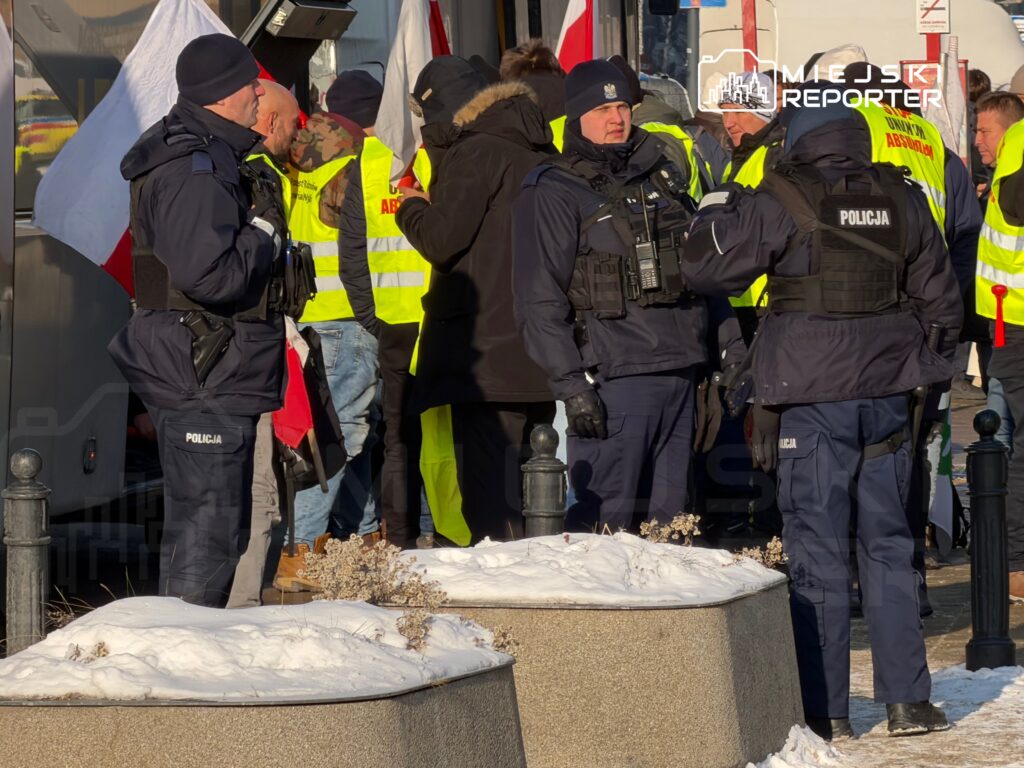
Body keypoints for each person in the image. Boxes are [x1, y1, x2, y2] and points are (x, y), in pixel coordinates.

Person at [680, 101, 961, 739]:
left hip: (810, 399)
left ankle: (826, 711)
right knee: (890, 546)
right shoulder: (902, 196)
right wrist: (921, 376)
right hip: (889, 397)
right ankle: (908, 703)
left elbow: (704, 266)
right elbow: (943, 304)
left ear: (798, 144)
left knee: (818, 549)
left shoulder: (781, 196)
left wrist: (719, 202)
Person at [512, 59, 744, 533]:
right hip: (614, 379)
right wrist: (572, 386)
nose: (616, 118)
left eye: (622, 107)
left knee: (671, 529)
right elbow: (539, 300)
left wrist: (732, 351)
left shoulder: (660, 174)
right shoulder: (554, 189)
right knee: (606, 528)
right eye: (602, 110)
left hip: (681, 371)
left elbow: (704, 273)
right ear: (577, 116)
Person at [109, 34, 285, 607]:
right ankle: (182, 658)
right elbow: (210, 277)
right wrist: (263, 233)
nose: (259, 93)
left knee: (212, 531)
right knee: (208, 535)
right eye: (251, 84)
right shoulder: (196, 168)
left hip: (207, 366)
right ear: (223, 94)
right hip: (204, 370)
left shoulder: (208, 156)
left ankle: (188, 648)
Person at [396, 56, 556, 543]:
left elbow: (442, 239)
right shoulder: (538, 147)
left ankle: (508, 593)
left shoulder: (476, 150)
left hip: (486, 357)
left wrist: (411, 207)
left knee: (491, 507)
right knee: (535, 499)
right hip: (538, 351)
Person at [270, 71, 382, 592]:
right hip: (349, 319)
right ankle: (301, 555)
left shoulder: (292, 159)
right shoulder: (360, 163)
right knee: (338, 440)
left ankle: (360, 540)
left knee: (347, 435)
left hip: (308, 317)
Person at [333, 70, 434, 549]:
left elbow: (352, 252)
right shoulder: (441, 154)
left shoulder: (368, 163)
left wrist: (372, 316)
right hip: (441, 320)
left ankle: (402, 541)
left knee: (398, 439)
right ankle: (442, 535)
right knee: (445, 431)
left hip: (393, 323)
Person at [226, 79, 300, 608]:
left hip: (247, 349)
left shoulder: (236, 168)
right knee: (257, 489)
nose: (297, 135)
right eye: (292, 123)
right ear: (270, 121)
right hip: (248, 351)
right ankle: (241, 608)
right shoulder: (256, 174)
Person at [974, 97, 1024, 601]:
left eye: (985, 130)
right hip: (1011, 323)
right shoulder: (1011, 162)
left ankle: (1015, 565)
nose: (977, 140)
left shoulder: (1018, 153)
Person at [973, 92, 1024, 454]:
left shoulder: (1013, 170)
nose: (977, 140)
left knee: (1011, 431)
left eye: (985, 131)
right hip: (1005, 316)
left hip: (1015, 320)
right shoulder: (1003, 173)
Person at [718, 72, 785, 341]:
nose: (729, 122)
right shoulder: (740, 159)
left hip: (767, 301)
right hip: (741, 297)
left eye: (739, 111)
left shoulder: (776, 156)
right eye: (724, 112)